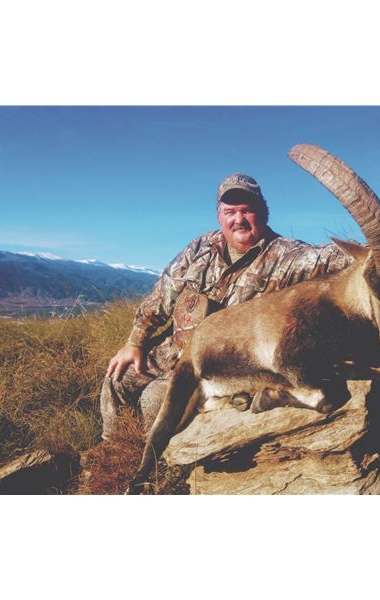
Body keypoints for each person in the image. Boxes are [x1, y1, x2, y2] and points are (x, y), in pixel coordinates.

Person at [100, 173, 352, 439]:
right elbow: (162, 295)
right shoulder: (199, 248)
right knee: (117, 378)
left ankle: (155, 458)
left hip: (220, 368)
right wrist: (135, 341)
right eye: (230, 212)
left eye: (247, 210)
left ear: (264, 212)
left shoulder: (289, 257)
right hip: (174, 350)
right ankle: (113, 449)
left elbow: (334, 258)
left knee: (154, 400)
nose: (238, 219)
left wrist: (379, 245)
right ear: (219, 216)